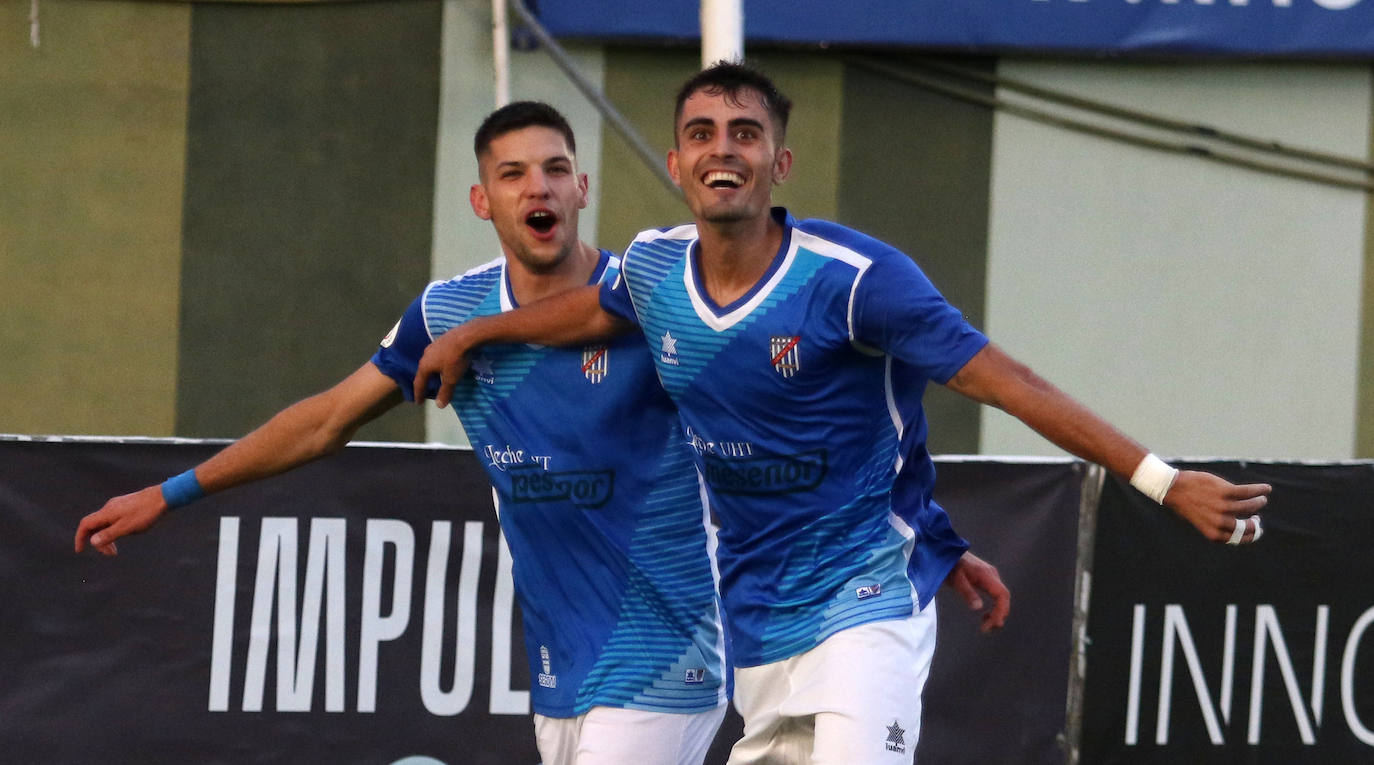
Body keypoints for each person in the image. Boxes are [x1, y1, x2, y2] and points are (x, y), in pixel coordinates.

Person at [409, 64, 1272, 765]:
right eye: (703, 133)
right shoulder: (655, 273)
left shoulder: (854, 280)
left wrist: (1159, 480)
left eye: (746, 133)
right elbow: (591, 311)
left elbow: (1009, 379)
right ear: (675, 164)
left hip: (867, 600)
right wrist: (478, 332)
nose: (723, 150)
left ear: (779, 162)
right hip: (758, 619)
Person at [74, 102, 738, 765]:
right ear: (482, 200)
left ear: (581, 189)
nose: (539, 186)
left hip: (665, 656)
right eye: (513, 174)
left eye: (556, 169)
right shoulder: (447, 310)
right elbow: (326, 419)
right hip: (560, 675)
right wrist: (171, 492)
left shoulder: (651, 296)